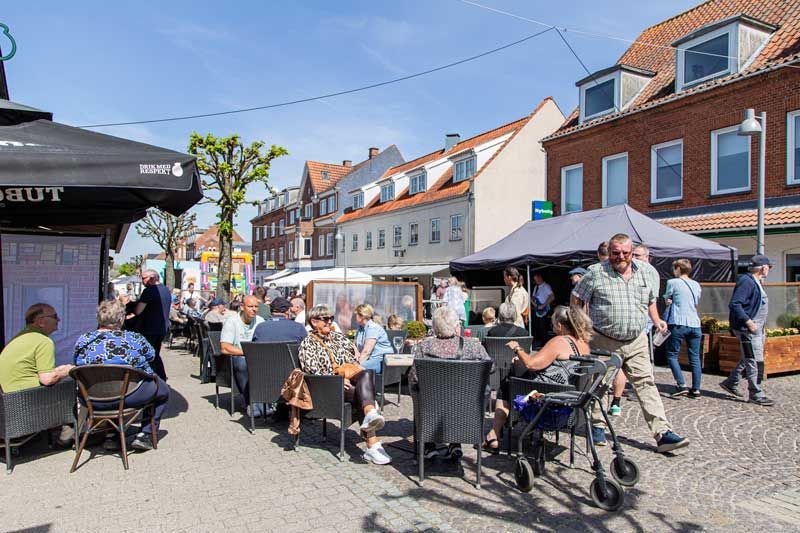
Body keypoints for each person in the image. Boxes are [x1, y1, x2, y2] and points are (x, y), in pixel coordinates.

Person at [572, 233, 689, 453]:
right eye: (616, 253)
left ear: (632, 252)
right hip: (604, 340)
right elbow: (576, 298)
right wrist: (581, 327)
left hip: (637, 340)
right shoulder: (595, 273)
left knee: (646, 383)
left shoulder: (647, 272)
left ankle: (663, 433)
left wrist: (657, 320)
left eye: (625, 253)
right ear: (610, 251)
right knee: (600, 383)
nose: (621, 257)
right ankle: (597, 426)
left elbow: (651, 301)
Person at [483, 306, 590, 453]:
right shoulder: (584, 345)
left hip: (544, 394)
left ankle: (494, 433)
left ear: (559, 325)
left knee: (507, 384)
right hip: (570, 395)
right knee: (515, 370)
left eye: (553, 324)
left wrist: (517, 349)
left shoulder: (559, 341)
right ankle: (497, 432)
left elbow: (532, 364)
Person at [298, 305, 391, 465]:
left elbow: (354, 359)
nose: (329, 322)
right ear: (313, 322)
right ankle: (372, 439)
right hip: (328, 388)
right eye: (325, 319)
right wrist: (338, 380)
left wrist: (349, 372)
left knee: (366, 373)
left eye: (330, 319)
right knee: (363, 395)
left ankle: (370, 419)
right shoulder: (308, 344)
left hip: (348, 384)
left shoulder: (338, 338)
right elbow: (312, 370)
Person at [73, 300, 170, 451]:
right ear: (121, 319)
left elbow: (76, 363)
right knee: (162, 390)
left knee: (108, 383)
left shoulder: (83, 340)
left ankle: (112, 435)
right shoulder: (134, 339)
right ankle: (146, 435)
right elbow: (151, 356)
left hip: (91, 398)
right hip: (129, 395)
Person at [410, 306, 492, 459]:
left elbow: (413, 379)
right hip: (466, 411)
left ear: (434, 327)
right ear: (455, 326)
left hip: (432, 410)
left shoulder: (423, 347)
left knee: (421, 393)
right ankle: (455, 443)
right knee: (459, 398)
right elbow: (490, 368)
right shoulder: (473, 346)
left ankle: (429, 445)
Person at [0, 303, 75, 446]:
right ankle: (66, 438)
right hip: (27, 399)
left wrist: (57, 372)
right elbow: (47, 379)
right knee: (72, 387)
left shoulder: (19, 338)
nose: (58, 320)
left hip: (9, 400)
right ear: (41, 321)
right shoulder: (43, 341)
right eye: (54, 316)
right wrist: (65, 371)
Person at [719, 255, 776, 406]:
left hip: (757, 328)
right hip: (748, 329)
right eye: (769, 267)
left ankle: (731, 382)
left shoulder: (756, 282)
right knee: (754, 360)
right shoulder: (747, 281)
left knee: (747, 357)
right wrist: (749, 322)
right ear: (763, 268)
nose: (769, 270)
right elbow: (735, 304)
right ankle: (755, 393)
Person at [220, 296, 266, 417]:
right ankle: (250, 401)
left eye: (256, 307)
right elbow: (225, 347)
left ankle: (270, 401)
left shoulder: (261, 321)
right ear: (242, 307)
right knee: (242, 363)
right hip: (237, 357)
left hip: (257, 357)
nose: (254, 309)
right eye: (250, 307)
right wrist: (247, 352)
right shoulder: (232, 322)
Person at [663, 259, 703, 398]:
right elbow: (696, 302)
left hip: (678, 322)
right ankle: (696, 388)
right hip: (695, 323)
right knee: (695, 357)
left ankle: (681, 385)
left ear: (678, 268)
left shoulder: (672, 282)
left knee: (672, 354)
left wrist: (668, 301)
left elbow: (667, 299)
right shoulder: (696, 284)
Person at [130, 270, 172, 381]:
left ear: (152, 277)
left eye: (144, 278)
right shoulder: (166, 290)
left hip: (149, 328)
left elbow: (138, 311)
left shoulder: (149, 291)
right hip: (162, 328)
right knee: (155, 354)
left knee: (150, 355)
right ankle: (160, 378)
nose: (142, 281)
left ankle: (156, 379)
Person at [353, 304, 394, 375]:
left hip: (381, 361)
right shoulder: (360, 328)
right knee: (348, 366)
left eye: (356, 315)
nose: (354, 317)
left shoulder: (372, 328)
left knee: (355, 369)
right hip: (369, 359)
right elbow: (354, 344)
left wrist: (357, 363)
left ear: (362, 316)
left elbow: (366, 352)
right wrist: (356, 352)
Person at [531, 272, 555, 346]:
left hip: (544, 310)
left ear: (541, 277)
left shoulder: (546, 286)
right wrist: (533, 301)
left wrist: (544, 305)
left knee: (543, 327)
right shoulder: (536, 287)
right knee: (537, 326)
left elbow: (552, 297)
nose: (536, 281)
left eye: (537, 279)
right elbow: (534, 297)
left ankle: (545, 344)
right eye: (535, 279)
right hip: (537, 309)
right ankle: (539, 342)